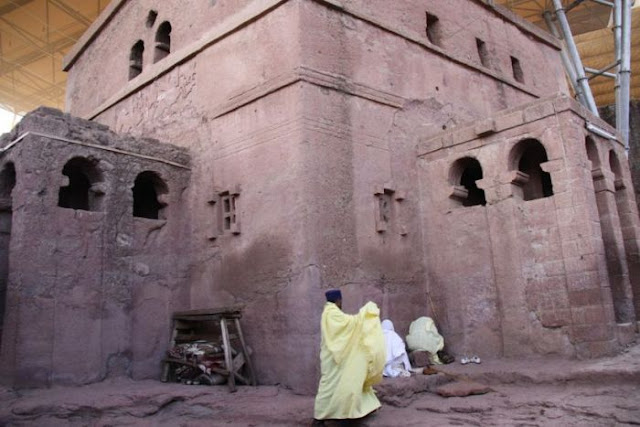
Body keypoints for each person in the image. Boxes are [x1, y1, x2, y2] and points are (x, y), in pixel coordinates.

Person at [313, 289, 386, 425]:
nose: (341, 303)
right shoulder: (331, 313)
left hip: (334, 358)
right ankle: (321, 417)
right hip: (334, 360)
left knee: (343, 385)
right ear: (338, 300)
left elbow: (345, 328)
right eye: (341, 301)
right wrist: (364, 314)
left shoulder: (329, 313)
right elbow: (348, 325)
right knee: (330, 387)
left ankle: (348, 413)